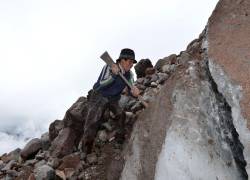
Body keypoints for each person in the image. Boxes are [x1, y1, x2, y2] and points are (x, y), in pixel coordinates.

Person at [80, 48, 140, 154]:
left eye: (132, 63)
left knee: (121, 115)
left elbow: (131, 87)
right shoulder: (109, 66)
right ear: (122, 60)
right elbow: (101, 84)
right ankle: (85, 151)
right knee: (93, 121)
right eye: (130, 62)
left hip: (113, 98)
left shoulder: (129, 74)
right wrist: (113, 75)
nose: (131, 65)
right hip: (99, 95)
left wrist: (134, 92)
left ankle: (119, 141)